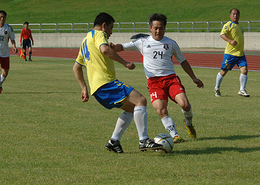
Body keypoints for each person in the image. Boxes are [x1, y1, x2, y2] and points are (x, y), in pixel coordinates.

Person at [73, 12, 162, 153]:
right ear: (104, 26)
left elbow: (76, 67)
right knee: (141, 100)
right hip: (106, 83)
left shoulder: (85, 41)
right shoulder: (99, 35)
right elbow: (105, 49)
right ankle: (144, 140)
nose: (111, 32)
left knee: (131, 109)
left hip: (97, 89)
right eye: (111, 28)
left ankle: (114, 141)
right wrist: (125, 63)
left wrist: (84, 88)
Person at [111, 13, 204, 143]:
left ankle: (188, 123)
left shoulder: (171, 43)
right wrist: (113, 47)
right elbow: (122, 47)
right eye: (155, 28)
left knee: (185, 104)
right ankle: (175, 136)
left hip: (171, 79)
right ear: (150, 28)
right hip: (154, 82)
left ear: (164, 28)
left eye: (160, 28)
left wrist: (194, 78)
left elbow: (183, 61)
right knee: (161, 109)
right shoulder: (142, 42)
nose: (158, 31)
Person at [214, 8, 250, 97]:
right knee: (224, 71)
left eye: (237, 14)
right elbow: (222, 34)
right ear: (230, 15)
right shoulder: (228, 25)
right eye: (233, 14)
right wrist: (230, 41)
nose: (235, 16)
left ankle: (242, 90)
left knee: (244, 70)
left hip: (240, 54)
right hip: (230, 54)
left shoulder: (240, 27)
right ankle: (217, 88)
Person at [0, 10, 18, 94]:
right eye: (0, 17)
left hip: (5, 53)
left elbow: (12, 39)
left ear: (6, 18)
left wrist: (14, 46)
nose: (2, 19)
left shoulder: (8, 28)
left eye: (3, 17)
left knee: (5, 73)